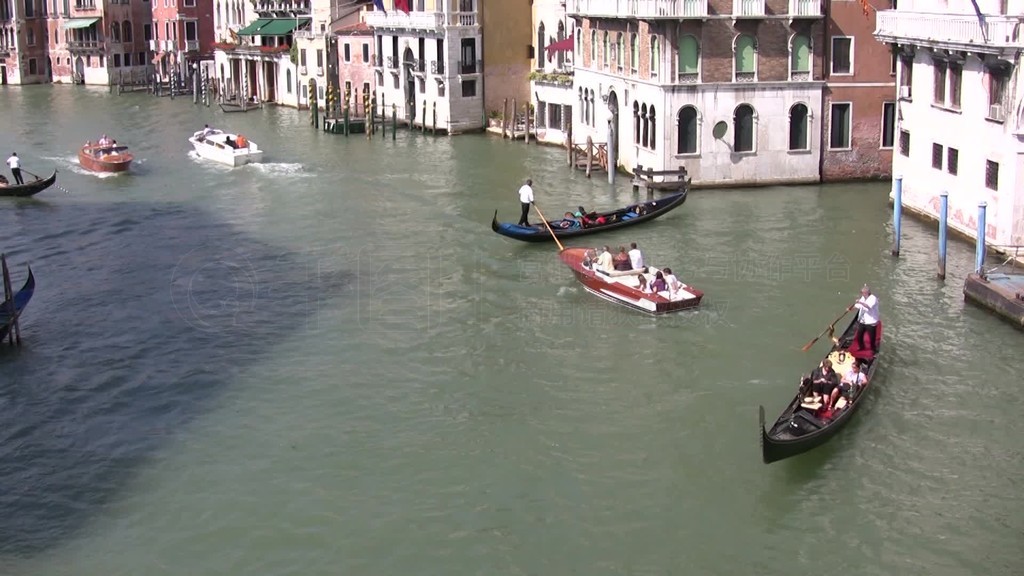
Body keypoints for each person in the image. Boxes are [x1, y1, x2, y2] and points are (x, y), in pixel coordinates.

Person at [849, 284, 880, 355]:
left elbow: (868, 306)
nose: (861, 294)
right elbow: (858, 306)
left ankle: (873, 350)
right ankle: (861, 347)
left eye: (862, 292)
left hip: (871, 322)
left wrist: (860, 302)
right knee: (859, 336)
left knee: (872, 337)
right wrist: (851, 308)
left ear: (867, 292)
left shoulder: (873, 298)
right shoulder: (863, 298)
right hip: (863, 321)